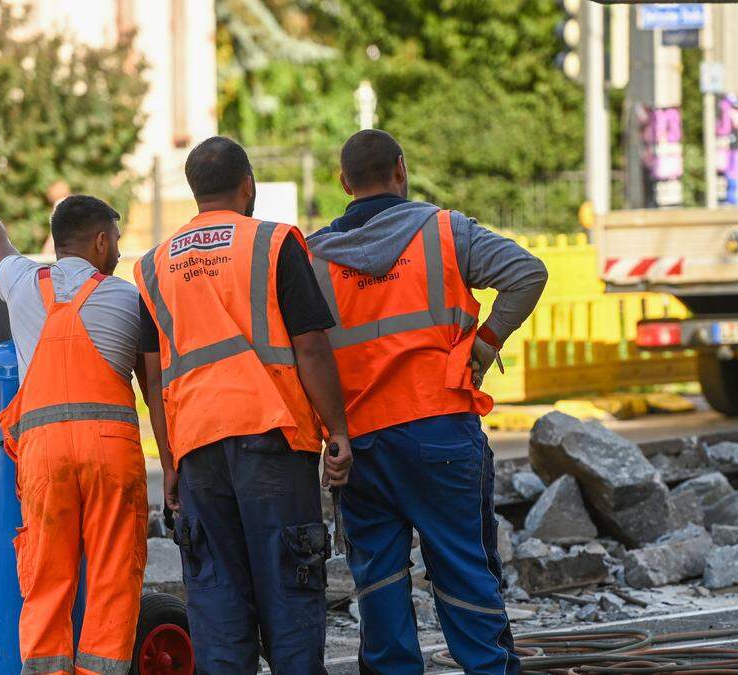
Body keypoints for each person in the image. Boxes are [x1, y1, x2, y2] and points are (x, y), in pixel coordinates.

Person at [307, 129, 548, 675]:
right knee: (462, 569)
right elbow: (527, 273)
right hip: (440, 430)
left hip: (361, 442)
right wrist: (484, 346)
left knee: (381, 582)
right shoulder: (444, 232)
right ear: (401, 169)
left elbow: (302, 351)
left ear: (344, 183)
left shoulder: (314, 255)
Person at [135, 136, 353, 674]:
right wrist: (338, 432)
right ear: (248, 185)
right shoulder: (272, 243)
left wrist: (169, 464)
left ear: (194, 191)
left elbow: (153, 375)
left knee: (216, 601)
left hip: (197, 451)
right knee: (290, 591)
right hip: (273, 439)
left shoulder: (153, 265)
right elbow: (311, 346)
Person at [0, 167, 149, 675]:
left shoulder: (22, 283)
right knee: (112, 576)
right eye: (117, 244)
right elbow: (155, 390)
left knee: (45, 577)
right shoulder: (127, 297)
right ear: (102, 242)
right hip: (110, 449)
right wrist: (171, 463)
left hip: (42, 453)